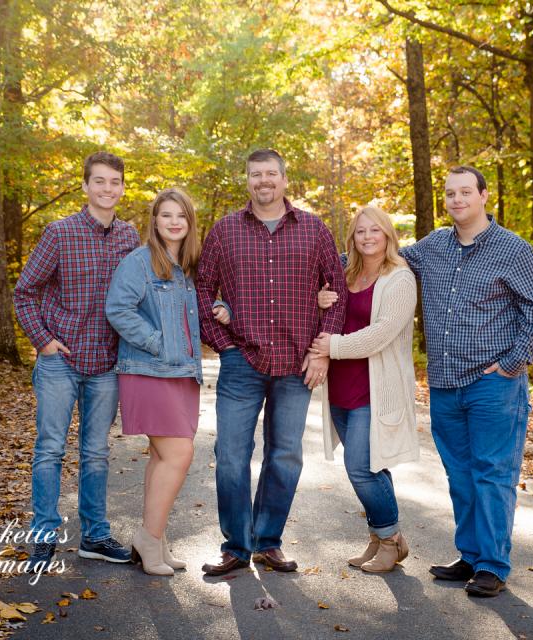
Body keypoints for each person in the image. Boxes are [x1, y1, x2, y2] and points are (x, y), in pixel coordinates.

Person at [400, 165, 533, 596]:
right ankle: (469, 556)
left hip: (494, 385)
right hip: (445, 384)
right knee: (460, 475)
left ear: (484, 196)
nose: (457, 200)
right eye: (450, 194)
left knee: (492, 474)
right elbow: (382, 260)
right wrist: (322, 272)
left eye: (466, 192)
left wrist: (512, 364)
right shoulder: (433, 246)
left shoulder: (513, 250)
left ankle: (492, 565)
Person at [196, 148, 347, 576]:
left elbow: (337, 289)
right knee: (230, 455)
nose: (264, 181)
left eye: (271, 174)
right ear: (247, 180)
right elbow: (203, 290)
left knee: (285, 457)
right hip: (241, 360)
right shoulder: (225, 231)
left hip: (296, 364)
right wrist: (222, 343)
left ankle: (268, 541)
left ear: (284, 179)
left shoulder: (314, 230)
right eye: (255, 174)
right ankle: (236, 546)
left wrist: (322, 349)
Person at [14, 151, 140, 569]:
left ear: (122, 187)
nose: (107, 189)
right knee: (50, 449)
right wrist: (44, 340)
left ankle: (95, 536)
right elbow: (25, 291)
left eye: (115, 182)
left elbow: (141, 295)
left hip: (106, 362)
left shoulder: (129, 237)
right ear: (85, 186)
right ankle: (44, 535)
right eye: (99, 181)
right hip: (60, 361)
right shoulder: (59, 233)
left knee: (97, 453)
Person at [311, 206, 418, 573]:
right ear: (352, 238)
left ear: (388, 235)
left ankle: (390, 539)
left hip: (376, 388)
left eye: (375, 230)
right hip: (342, 386)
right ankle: (380, 538)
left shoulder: (400, 278)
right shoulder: (346, 273)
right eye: (360, 232)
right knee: (373, 465)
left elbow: (382, 333)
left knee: (360, 467)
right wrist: (319, 300)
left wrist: (332, 347)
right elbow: (325, 316)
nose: (368, 237)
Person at [106, 187, 202, 576]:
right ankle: (148, 537)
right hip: (149, 370)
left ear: (189, 222)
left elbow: (207, 303)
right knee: (179, 453)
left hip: (183, 373)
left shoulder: (190, 266)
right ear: (155, 221)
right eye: (166, 215)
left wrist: (222, 308)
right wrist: (157, 342)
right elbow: (118, 308)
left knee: (163, 456)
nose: (174, 222)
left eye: (180, 215)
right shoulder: (139, 262)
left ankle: (155, 540)